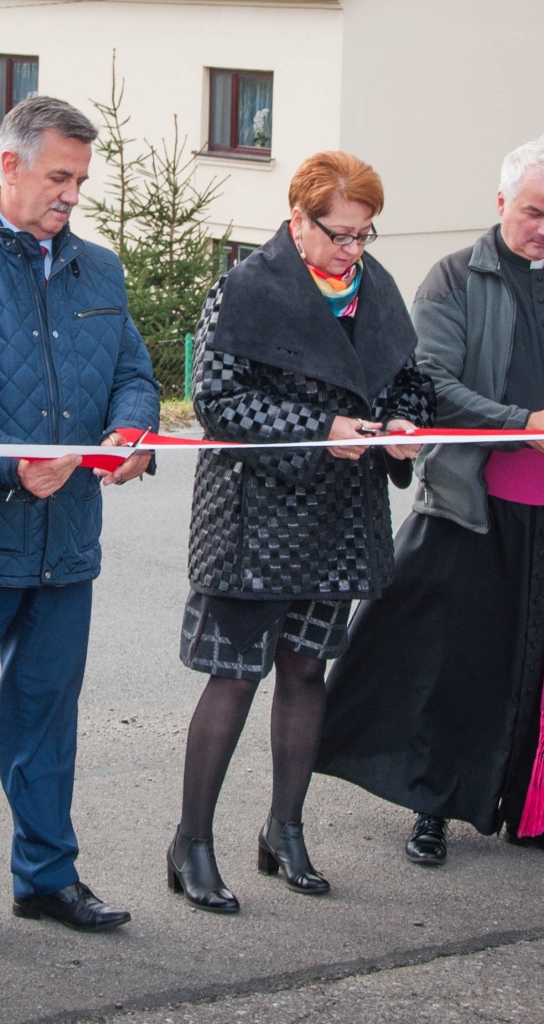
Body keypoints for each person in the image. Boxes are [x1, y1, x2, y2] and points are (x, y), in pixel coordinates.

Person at [318, 134, 544, 867]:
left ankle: (537, 811)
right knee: (456, 660)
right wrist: (521, 425)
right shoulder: (453, 279)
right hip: (472, 502)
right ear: (502, 202)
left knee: (543, 666)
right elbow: (432, 382)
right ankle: (432, 807)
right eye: (535, 212)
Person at [0, 95, 159, 948]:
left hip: (66, 542)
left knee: (46, 721)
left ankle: (46, 876)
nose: (72, 195)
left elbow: (134, 373)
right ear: (8, 166)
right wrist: (15, 462)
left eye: (80, 179)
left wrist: (130, 432)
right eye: (58, 176)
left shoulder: (101, 270)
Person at [168, 152, 431, 913]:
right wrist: (320, 427)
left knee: (307, 671)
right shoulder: (245, 288)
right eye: (340, 233)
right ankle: (193, 839)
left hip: (339, 520)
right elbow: (216, 399)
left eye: (364, 235)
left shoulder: (373, 288)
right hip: (253, 520)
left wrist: (407, 422)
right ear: (298, 221)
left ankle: (285, 829)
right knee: (236, 678)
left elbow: (408, 378)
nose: (353, 248)